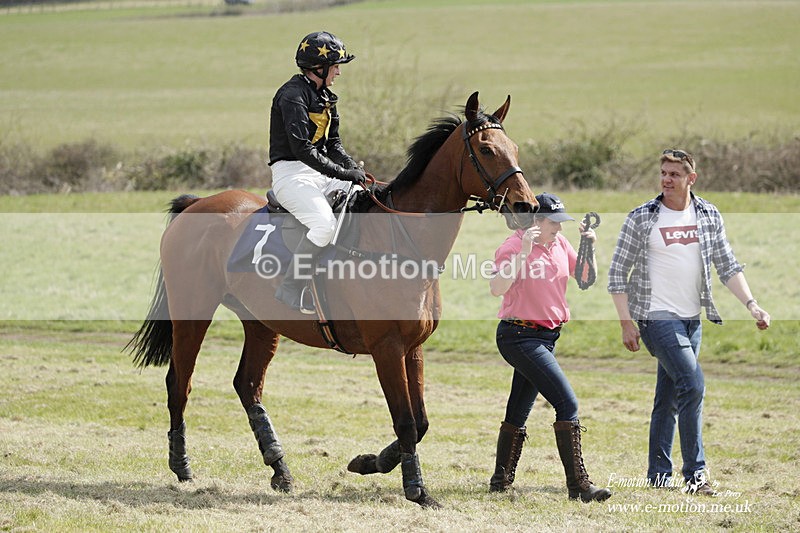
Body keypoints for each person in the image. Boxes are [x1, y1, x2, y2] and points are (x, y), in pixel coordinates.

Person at [608, 149, 771, 495]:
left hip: (691, 319)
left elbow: (728, 265)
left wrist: (752, 305)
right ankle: (696, 476)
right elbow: (617, 274)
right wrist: (626, 323)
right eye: (663, 173)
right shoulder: (642, 217)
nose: (666, 179)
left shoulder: (708, 214)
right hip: (654, 317)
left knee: (668, 397)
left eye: (674, 174)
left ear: (690, 179)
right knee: (693, 384)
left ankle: (657, 476)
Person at [488, 192, 612, 502]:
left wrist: (588, 245)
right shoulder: (513, 246)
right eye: (554, 223)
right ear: (536, 222)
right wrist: (524, 252)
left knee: (518, 409)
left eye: (561, 223)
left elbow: (585, 278)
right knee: (567, 404)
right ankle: (579, 487)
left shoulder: (559, 244)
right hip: (518, 336)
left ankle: (500, 480)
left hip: (546, 337)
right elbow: (496, 288)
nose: (559, 228)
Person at [268, 31, 367, 312]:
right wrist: (343, 173)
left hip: (319, 172)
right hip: (292, 175)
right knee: (324, 225)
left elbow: (333, 143)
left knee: (364, 198)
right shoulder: (291, 95)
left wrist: (352, 169)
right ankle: (291, 287)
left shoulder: (325, 96)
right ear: (318, 68)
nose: (338, 72)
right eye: (335, 66)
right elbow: (302, 150)